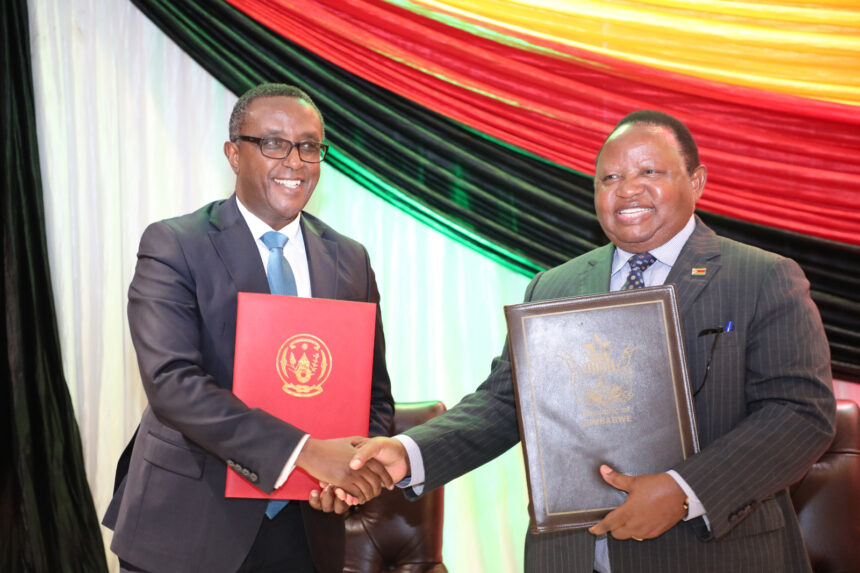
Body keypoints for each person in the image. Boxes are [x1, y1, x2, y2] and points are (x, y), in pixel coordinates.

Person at [351, 110, 836, 572]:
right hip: (571, 558)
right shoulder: (554, 286)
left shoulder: (763, 278)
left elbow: (800, 414)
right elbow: (505, 404)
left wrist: (683, 491)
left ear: (697, 182)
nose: (628, 190)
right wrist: (409, 452)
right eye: (609, 178)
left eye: (650, 171)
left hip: (714, 555)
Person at [103, 83, 395, 573]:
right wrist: (307, 453)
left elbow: (373, 392)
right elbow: (174, 384)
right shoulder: (175, 244)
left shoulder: (349, 259)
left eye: (309, 145)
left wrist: (349, 474)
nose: (296, 161)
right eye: (274, 143)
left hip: (306, 528)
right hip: (189, 523)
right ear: (234, 153)